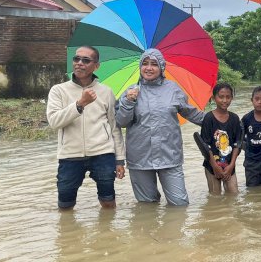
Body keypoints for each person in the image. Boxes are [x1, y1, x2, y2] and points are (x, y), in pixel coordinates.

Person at [115, 49, 205, 205]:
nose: (149, 68)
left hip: (169, 154)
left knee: (179, 204)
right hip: (139, 157)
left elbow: (191, 113)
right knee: (147, 206)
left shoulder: (173, 89)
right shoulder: (130, 91)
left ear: (162, 67)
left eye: (154, 64)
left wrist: (219, 120)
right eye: (145, 63)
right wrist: (129, 102)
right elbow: (120, 122)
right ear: (140, 66)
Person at [46, 46, 125, 210]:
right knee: (65, 206)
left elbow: (114, 127)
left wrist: (119, 160)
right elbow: (54, 121)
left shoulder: (106, 92)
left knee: (108, 202)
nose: (79, 63)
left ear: (96, 66)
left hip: (103, 153)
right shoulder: (58, 90)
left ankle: (107, 232)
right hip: (70, 155)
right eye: (76, 59)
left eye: (86, 60)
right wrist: (80, 104)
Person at [200, 82, 243, 194]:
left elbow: (237, 144)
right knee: (215, 197)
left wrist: (232, 165)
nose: (224, 100)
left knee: (233, 194)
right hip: (211, 166)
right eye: (221, 97)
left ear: (232, 98)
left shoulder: (234, 119)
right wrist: (214, 166)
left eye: (228, 97)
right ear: (214, 98)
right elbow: (205, 145)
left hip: (229, 165)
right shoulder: (208, 118)